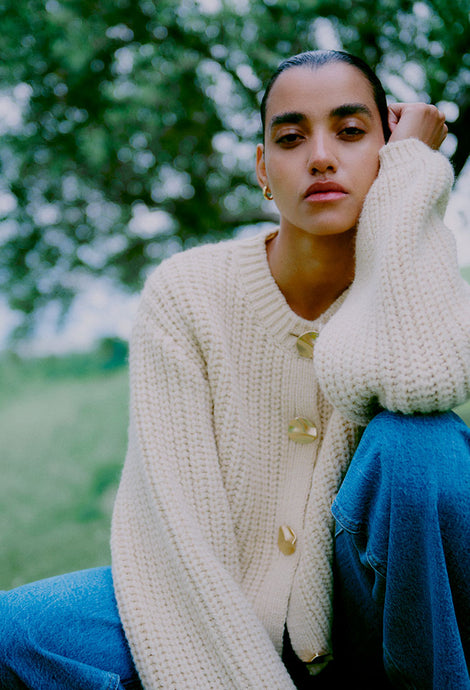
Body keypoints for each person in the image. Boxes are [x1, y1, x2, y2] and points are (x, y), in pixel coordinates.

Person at [1, 49, 470, 689]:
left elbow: (425, 384)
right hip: (208, 600)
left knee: (421, 444)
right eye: (291, 138)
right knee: (16, 633)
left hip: (366, 610)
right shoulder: (187, 294)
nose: (321, 157)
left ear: (387, 155)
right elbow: (176, 534)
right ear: (262, 169)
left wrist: (411, 177)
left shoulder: (412, 282)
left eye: (351, 131)